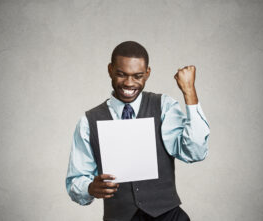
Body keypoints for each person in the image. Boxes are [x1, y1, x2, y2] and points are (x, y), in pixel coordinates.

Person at [66, 41, 210, 221]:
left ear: (147, 73)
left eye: (137, 76)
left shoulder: (164, 106)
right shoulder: (89, 121)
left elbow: (194, 153)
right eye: (121, 74)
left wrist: (189, 92)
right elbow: (75, 181)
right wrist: (89, 188)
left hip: (168, 216)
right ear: (110, 70)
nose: (129, 83)